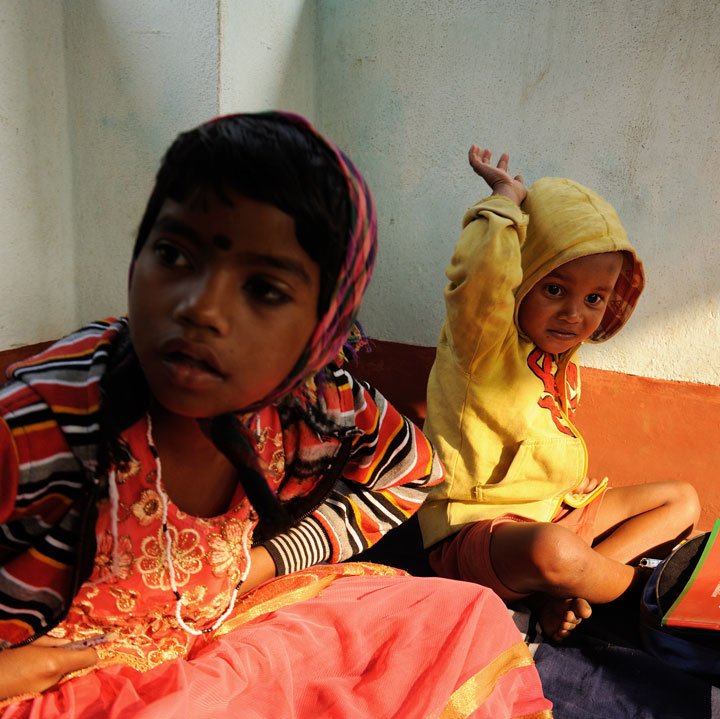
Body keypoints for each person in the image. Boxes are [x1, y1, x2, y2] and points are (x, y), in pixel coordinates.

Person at [0, 114, 551, 718]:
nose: (201, 308)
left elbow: (410, 473)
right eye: (173, 253)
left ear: (322, 329)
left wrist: (260, 564)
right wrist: (35, 665)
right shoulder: (42, 429)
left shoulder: (311, 406)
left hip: (212, 638)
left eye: (264, 289)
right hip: (48, 688)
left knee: (462, 616)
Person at [416, 146, 701, 640]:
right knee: (553, 552)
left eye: (594, 298)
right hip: (483, 532)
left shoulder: (557, 355)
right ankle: (650, 600)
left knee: (681, 499)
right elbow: (480, 282)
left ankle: (574, 592)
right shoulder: (483, 343)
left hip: (558, 510)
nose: (575, 314)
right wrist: (506, 202)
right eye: (554, 289)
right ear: (520, 276)